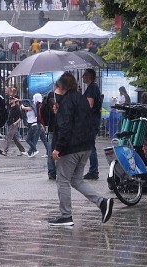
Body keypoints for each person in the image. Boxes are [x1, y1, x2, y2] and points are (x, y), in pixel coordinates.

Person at [49, 72, 114, 227]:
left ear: (62, 86)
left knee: (62, 180)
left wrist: (58, 147)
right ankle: (102, 203)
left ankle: (66, 216)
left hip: (70, 148)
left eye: (58, 85)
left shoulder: (66, 102)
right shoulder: (81, 99)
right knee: (77, 180)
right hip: (85, 146)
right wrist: (58, 111)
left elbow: (65, 127)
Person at [82, 69, 103, 179]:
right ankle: (93, 169)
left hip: (90, 121)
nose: (82, 77)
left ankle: (94, 171)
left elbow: (89, 105)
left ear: (89, 76)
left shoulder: (92, 89)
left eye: (84, 75)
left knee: (90, 146)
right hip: (92, 120)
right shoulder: (93, 88)